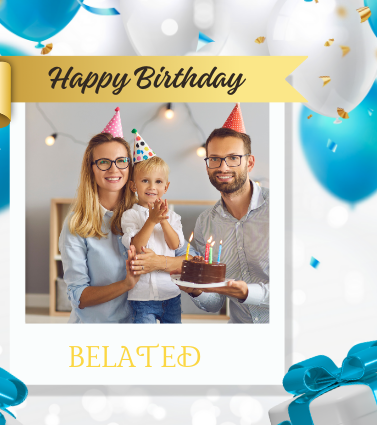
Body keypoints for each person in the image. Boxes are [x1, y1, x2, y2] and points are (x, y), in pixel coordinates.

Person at [130, 103, 270, 324]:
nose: (223, 167)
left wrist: (247, 292)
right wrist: (195, 290)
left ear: (249, 163)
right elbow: (214, 303)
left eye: (233, 158)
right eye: (214, 159)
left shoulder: (278, 210)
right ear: (207, 166)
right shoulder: (206, 222)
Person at [59, 108, 139, 323]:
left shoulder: (144, 217)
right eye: (104, 162)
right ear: (91, 169)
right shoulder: (77, 224)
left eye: (122, 161)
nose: (114, 169)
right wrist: (126, 284)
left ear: (130, 167)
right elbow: (79, 297)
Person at [121, 129, 184, 324]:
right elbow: (136, 246)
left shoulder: (172, 216)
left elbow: (175, 245)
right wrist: (151, 220)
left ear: (166, 187)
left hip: (170, 293)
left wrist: (163, 220)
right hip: (141, 297)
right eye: (145, 181)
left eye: (158, 182)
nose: (152, 187)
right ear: (133, 186)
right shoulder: (130, 215)